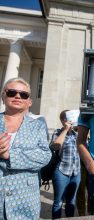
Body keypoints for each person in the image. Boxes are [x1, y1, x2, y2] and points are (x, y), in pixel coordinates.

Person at [0, 77, 51, 219]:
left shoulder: (38, 125)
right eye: (11, 92)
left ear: (29, 102)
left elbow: (44, 156)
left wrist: (8, 155)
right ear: (3, 96)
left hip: (25, 201)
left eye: (23, 94)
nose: (17, 96)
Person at [51, 110, 81, 219]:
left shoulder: (77, 133)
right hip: (62, 171)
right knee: (58, 202)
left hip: (76, 172)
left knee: (71, 201)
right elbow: (55, 146)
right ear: (63, 120)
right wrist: (66, 130)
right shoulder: (57, 132)